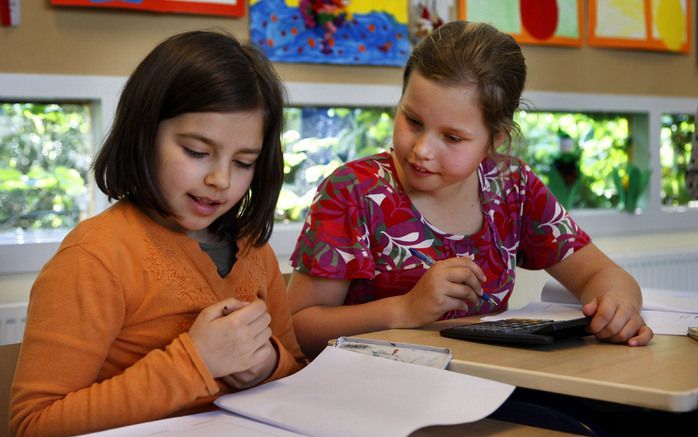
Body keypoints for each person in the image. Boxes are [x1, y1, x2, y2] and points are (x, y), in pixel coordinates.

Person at [287, 21, 653, 358]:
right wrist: (403, 309)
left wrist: (617, 305)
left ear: (495, 139)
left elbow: (600, 275)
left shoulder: (512, 186)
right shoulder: (353, 191)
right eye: (412, 120)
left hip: (490, 383)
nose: (422, 150)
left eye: (452, 137)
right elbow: (298, 329)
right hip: (374, 396)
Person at [10, 30, 306, 437]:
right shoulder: (94, 258)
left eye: (243, 162)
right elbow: (35, 425)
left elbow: (296, 374)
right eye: (197, 152)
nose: (221, 179)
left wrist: (266, 364)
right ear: (144, 133)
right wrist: (196, 362)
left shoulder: (256, 251)